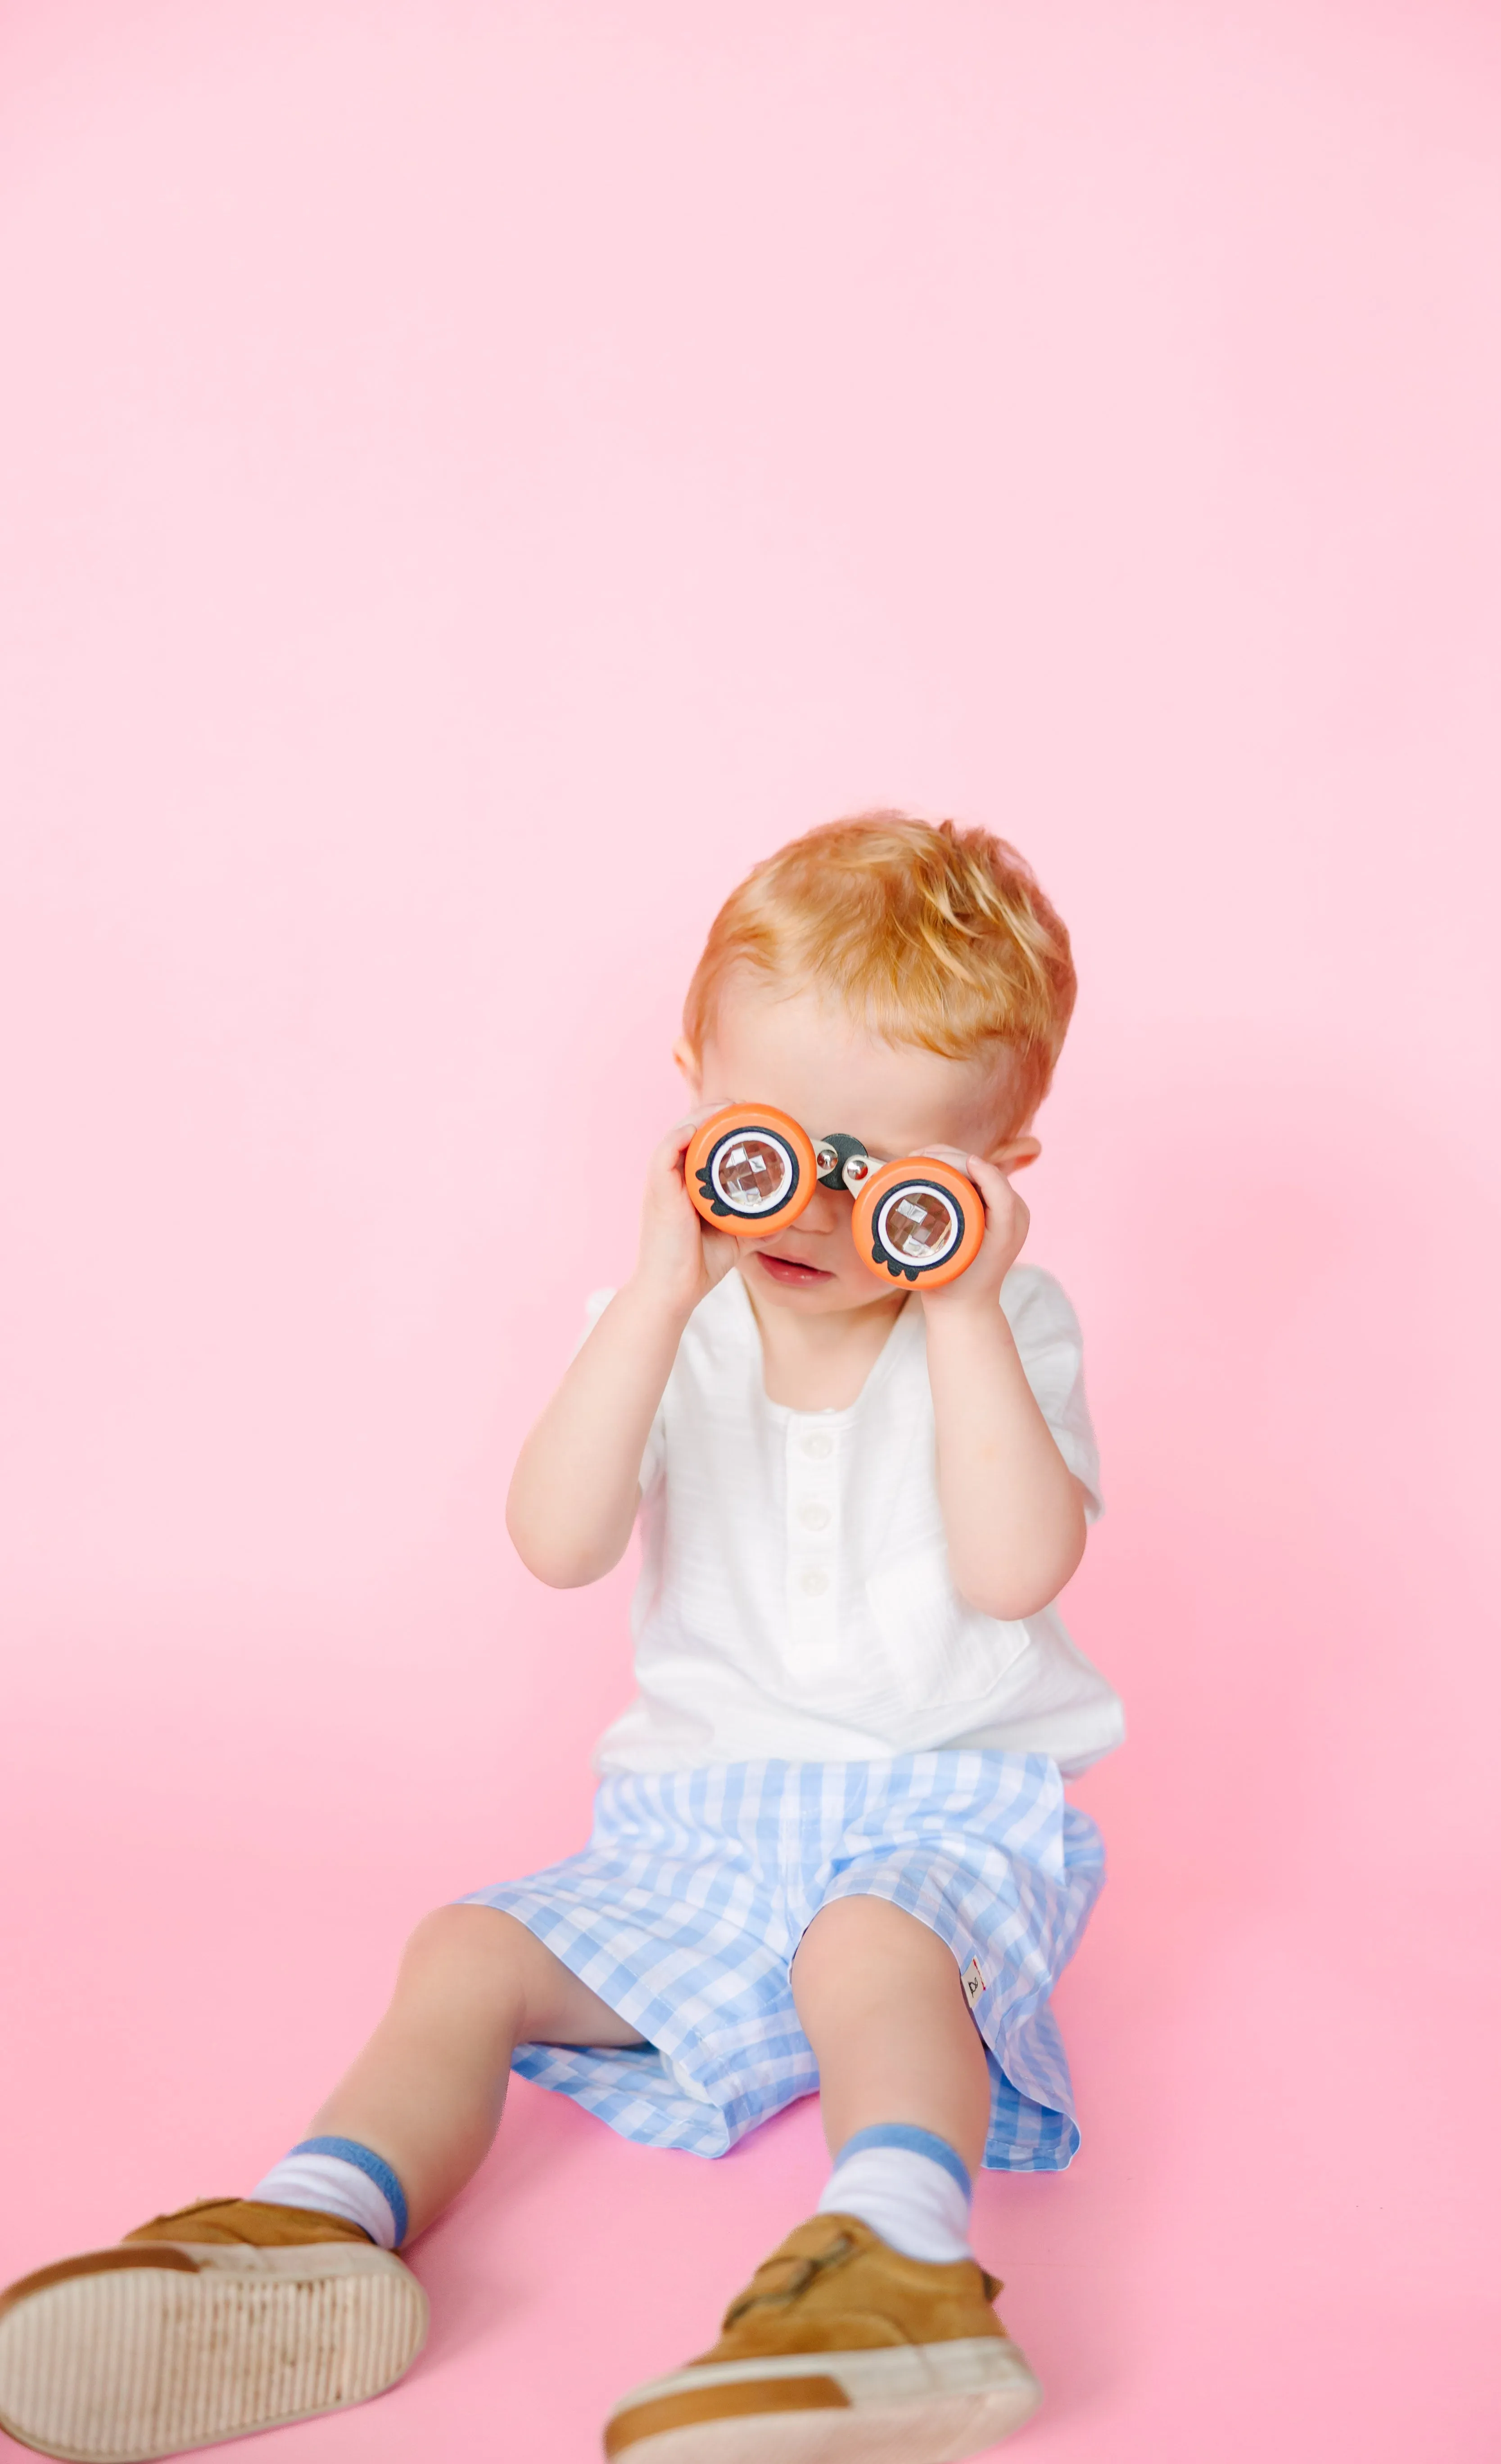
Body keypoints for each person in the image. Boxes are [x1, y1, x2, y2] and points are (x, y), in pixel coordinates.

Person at [0, 813, 1124, 2464]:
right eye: (771, 1141)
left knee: (866, 1951)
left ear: (994, 1178)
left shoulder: (1005, 1323)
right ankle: (316, 2225)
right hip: (697, 1826)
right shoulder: (660, 1323)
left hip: (939, 1810)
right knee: (466, 1950)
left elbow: (1021, 1569)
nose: (814, 1204)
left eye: (891, 1175)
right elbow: (556, 1542)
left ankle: (899, 2273)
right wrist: (663, 1293)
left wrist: (958, 1309)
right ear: (692, 1095)